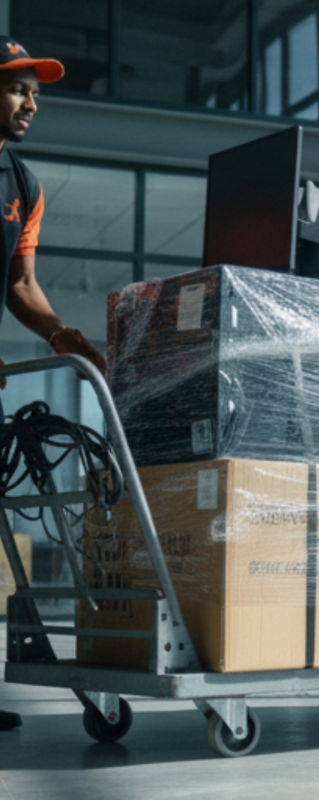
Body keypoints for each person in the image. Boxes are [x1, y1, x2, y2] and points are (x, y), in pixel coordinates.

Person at [0, 37, 106, 732]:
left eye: (36, 91)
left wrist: (61, 335)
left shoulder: (23, 185)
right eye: (16, 87)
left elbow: (21, 284)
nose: (31, 101)